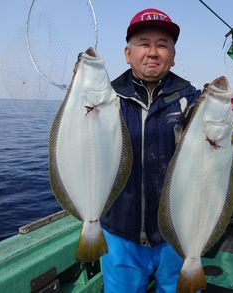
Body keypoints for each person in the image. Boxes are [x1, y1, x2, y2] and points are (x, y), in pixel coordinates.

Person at [99, 8, 201, 292]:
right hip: (120, 235)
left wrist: (225, 114)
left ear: (173, 55)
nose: (153, 52)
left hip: (178, 236)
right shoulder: (105, 99)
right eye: (144, 43)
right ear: (127, 53)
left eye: (163, 45)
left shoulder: (190, 100)